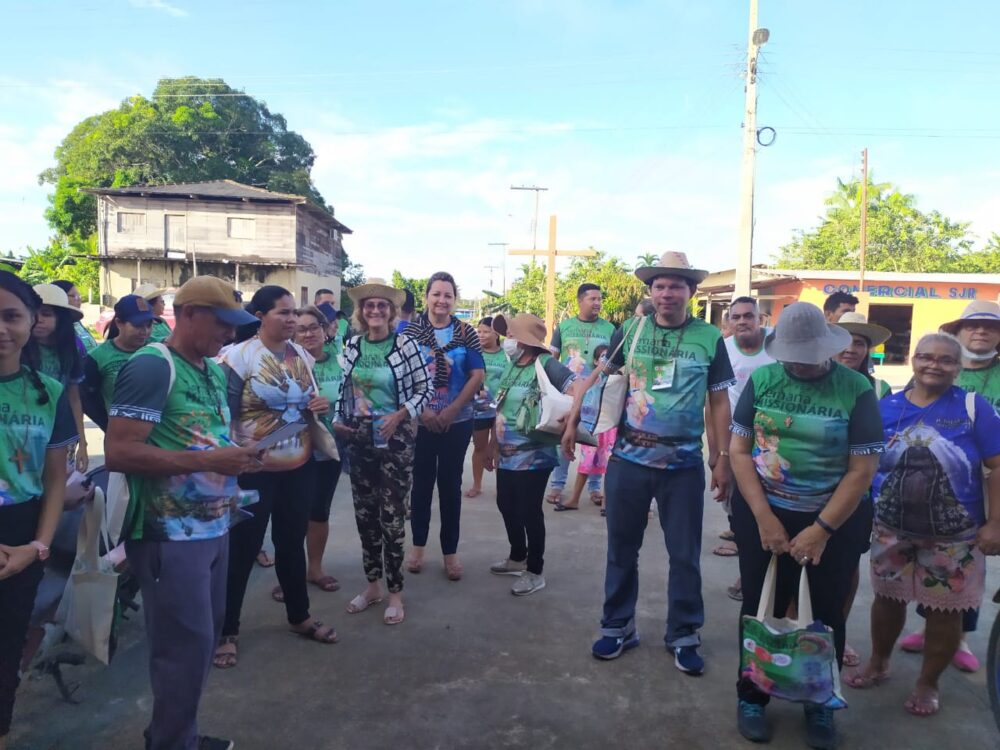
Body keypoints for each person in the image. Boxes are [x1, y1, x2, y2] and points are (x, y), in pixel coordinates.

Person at [105, 275, 262, 750]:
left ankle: (174, 734)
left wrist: (239, 454)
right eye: (222, 323)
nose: (230, 334)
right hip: (168, 535)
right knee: (183, 649)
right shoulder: (152, 366)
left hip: (214, 526)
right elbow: (118, 452)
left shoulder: (212, 369)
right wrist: (209, 461)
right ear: (188, 314)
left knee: (200, 642)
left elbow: (204, 437)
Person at [729, 302, 882, 746]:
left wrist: (821, 530)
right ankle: (752, 695)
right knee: (759, 605)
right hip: (764, 508)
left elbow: (862, 470)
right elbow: (740, 452)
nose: (800, 364)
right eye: (792, 355)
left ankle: (819, 701)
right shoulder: (762, 379)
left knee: (826, 613)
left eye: (809, 355)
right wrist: (764, 517)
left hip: (835, 516)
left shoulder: (855, 388)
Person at [592, 252, 734, 676]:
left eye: (676, 286)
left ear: (691, 292)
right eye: (659, 286)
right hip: (627, 461)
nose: (667, 293)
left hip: (683, 466)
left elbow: (719, 401)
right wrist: (574, 418)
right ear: (650, 292)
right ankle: (618, 625)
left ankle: (684, 633)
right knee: (621, 549)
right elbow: (605, 379)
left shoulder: (709, 337)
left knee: (685, 555)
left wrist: (721, 456)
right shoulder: (629, 329)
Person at [846, 332, 1000, 718]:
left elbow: (997, 467)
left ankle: (928, 683)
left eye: (946, 359)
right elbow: (862, 463)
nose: (934, 365)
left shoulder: (973, 407)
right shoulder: (886, 407)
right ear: (913, 360)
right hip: (890, 528)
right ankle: (879, 662)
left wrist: (996, 522)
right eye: (926, 357)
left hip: (955, 536)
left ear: (958, 367)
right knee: (887, 599)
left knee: (946, 611)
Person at [216, 286, 337, 671]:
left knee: (291, 542)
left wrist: (320, 404)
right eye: (283, 313)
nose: (292, 320)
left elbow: (309, 404)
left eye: (293, 313)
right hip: (253, 471)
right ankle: (227, 631)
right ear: (260, 317)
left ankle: (299, 616)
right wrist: (229, 464)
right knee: (243, 549)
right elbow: (223, 415)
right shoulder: (238, 357)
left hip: (299, 465)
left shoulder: (301, 354)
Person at [896, 300, 1000, 672]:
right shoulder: (933, 370)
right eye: (973, 325)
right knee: (936, 556)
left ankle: (961, 637)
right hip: (944, 478)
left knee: (967, 565)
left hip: (990, 477)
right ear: (958, 332)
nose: (981, 331)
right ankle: (930, 628)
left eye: (991, 327)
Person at [0, 273, 75, 750]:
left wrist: (38, 546)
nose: (1, 329)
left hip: (22, 534)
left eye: (11, 316)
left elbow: (54, 480)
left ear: (32, 322)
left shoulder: (48, 392)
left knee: (6, 648)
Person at [332, 278, 431, 625]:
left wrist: (401, 414)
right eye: (369, 305)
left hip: (395, 440)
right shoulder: (352, 346)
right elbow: (343, 391)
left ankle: (395, 593)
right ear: (361, 312)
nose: (375, 310)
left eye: (382, 306)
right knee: (365, 517)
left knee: (391, 518)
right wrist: (337, 420)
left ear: (391, 312)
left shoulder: (406, 345)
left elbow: (424, 388)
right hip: (360, 439)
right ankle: (372, 585)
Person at [486, 313, 584, 595]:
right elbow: (500, 406)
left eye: (512, 334)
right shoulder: (512, 365)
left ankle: (535, 570)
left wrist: (571, 422)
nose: (507, 339)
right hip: (507, 452)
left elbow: (577, 388)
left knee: (529, 510)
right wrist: (493, 444)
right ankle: (518, 556)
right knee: (506, 503)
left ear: (525, 339)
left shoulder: (546, 364)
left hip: (535, 454)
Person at [404, 271, 484, 580]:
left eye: (448, 295)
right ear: (426, 297)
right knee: (421, 485)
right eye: (436, 294)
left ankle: (450, 553)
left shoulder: (466, 332)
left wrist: (452, 409)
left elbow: (477, 375)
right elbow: (402, 375)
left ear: (455, 299)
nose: (442, 300)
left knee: (450, 486)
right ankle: (417, 548)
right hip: (420, 422)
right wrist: (421, 410)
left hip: (458, 421)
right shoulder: (410, 332)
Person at [270, 305, 345, 597]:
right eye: (301, 329)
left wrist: (334, 410)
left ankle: (315, 569)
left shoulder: (340, 363)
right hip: (292, 449)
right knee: (291, 515)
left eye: (314, 327)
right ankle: (289, 576)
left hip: (328, 448)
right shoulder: (283, 364)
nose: (308, 334)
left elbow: (352, 400)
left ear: (326, 330)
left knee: (319, 510)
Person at [832, 311, 893, 668]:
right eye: (843, 340)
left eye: (859, 343)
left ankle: (836, 632)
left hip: (861, 491)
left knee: (847, 565)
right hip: (814, 485)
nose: (850, 349)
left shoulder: (880, 389)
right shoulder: (817, 379)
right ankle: (802, 630)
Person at [708, 296, 774, 591]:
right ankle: (747, 560)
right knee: (737, 502)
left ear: (760, 319)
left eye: (749, 316)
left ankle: (754, 575)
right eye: (736, 317)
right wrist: (715, 450)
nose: (742, 321)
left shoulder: (776, 345)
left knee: (766, 503)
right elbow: (713, 403)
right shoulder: (722, 349)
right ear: (728, 322)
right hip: (736, 439)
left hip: (773, 439)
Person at [545, 283, 616, 506]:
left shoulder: (610, 329)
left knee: (595, 441)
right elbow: (551, 360)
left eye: (600, 299)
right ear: (580, 300)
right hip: (568, 394)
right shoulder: (564, 327)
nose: (597, 303)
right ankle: (557, 485)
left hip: (598, 395)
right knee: (563, 438)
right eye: (592, 299)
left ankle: (594, 488)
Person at [31, 284, 88, 474]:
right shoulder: (16, 350)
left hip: (60, 432)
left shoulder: (70, 352)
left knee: (58, 481)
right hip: (25, 431)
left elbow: (74, 397)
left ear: (61, 319)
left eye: (46, 314)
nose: (38, 319)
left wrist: (82, 442)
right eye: (33, 313)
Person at [81, 294, 154, 431]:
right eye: (138, 325)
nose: (145, 331)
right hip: (121, 435)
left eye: (149, 325)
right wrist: (109, 427)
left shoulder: (158, 350)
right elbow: (87, 400)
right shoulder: (97, 357)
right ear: (119, 323)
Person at [558, 343, 615, 512]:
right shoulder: (593, 378)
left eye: (609, 357)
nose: (606, 361)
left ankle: (606, 502)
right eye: (603, 357)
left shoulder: (618, 376)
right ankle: (574, 498)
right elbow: (582, 396)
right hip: (593, 426)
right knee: (586, 462)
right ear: (596, 361)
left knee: (610, 463)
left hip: (611, 427)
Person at [466, 316, 509, 498]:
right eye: (479, 331)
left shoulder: (506, 355)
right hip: (480, 409)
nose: (481, 335)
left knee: (499, 447)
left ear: (496, 334)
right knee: (480, 447)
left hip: (501, 408)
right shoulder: (474, 353)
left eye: (486, 331)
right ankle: (477, 484)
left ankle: (502, 488)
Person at [52, 279, 98, 353]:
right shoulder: (53, 327)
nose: (79, 300)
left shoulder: (76, 322)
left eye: (79, 296)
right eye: (74, 296)